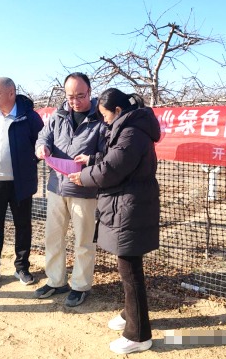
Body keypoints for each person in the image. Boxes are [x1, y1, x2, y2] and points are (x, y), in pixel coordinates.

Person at [68, 88, 160, 354]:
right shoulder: (128, 128)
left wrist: (84, 177)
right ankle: (130, 313)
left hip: (129, 207)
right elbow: (114, 158)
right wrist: (91, 159)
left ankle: (138, 335)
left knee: (130, 271)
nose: (104, 120)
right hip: (126, 204)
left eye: (105, 115)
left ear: (118, 111)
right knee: (128, 268)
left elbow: (113, 169)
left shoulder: (131, 132)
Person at [34, 72, 105, 307]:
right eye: (70, 96)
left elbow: (107, 153)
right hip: (57, 186)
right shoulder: (58, 115)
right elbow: (43, 137)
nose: (75, 101)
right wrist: (42, 147)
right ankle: (56, 280)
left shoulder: (100, 119)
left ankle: (80, 285)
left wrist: (90, 162)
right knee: (53, 236)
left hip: (84, 189)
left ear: (90, 92)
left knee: (84, 241)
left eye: (80, 96)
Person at [0, 77, 44, 289]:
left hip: (20, 183)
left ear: (11, 93)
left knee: (23, 226)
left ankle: (22, 267)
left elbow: (41, 144)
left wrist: (25, 164)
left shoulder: (28, 117)